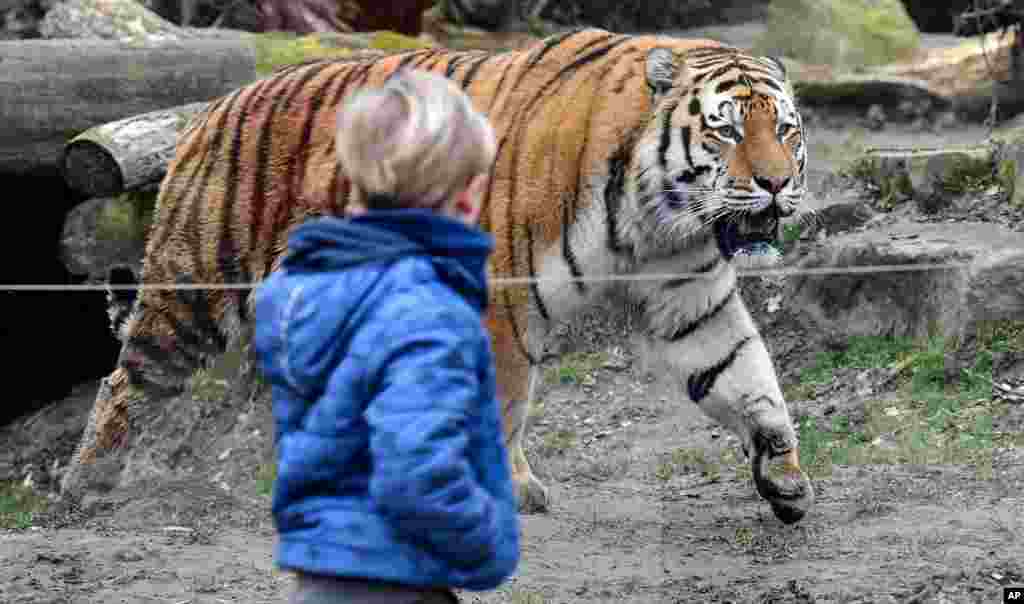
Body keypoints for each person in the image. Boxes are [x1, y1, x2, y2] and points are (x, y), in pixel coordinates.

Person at [252, 69, 520, 604]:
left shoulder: (300, 287)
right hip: (393, 579)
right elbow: (416, 473)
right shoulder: (427, 310)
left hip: (323, 572)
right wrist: (488, 544)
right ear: (467, 199)